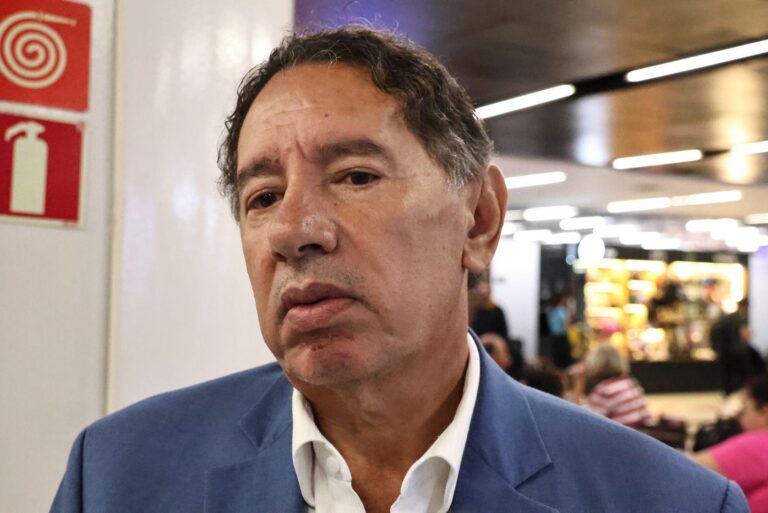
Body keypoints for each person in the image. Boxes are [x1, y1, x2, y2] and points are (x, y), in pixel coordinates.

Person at [50, 26, 748, 513]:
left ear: (478, 221)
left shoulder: (667, 500)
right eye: (262, 197)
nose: (294, 230)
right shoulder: (118, 475)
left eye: (355, 176)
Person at [693, 374, 768, 513]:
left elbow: (685, 469)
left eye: (744, 409)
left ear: (764, 411)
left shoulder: (757, 444)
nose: (739, 417)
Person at [583, 344, 652, 428]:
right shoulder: (629, 383)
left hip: (620, 434)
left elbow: (585, 422)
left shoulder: (604, 391)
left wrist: (578, 387)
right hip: (637, 432)